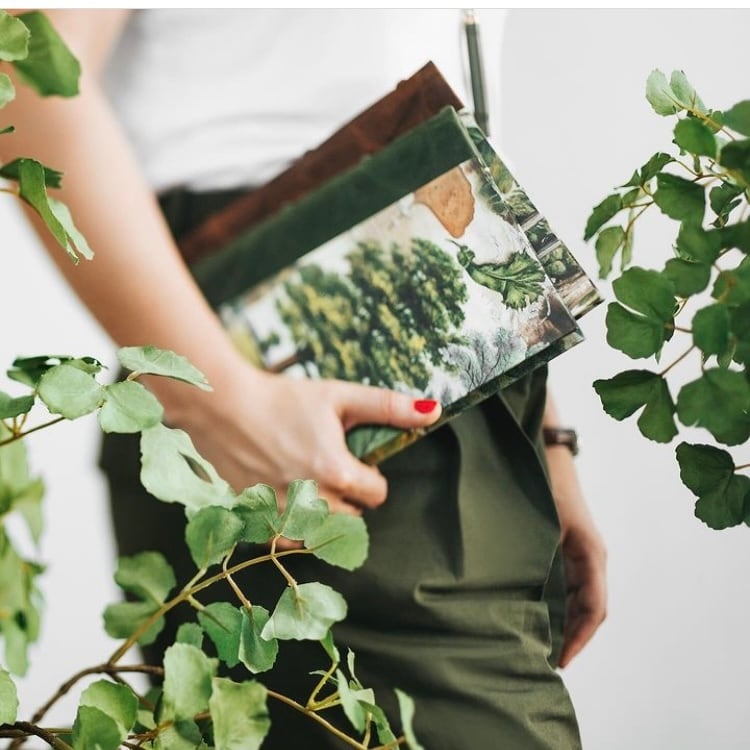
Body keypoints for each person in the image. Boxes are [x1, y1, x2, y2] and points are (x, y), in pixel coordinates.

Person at [3, 9, 606, 749]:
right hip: (283, 378)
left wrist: (543, 434)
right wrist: (222, 399)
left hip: (450, 361)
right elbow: (24, 65)